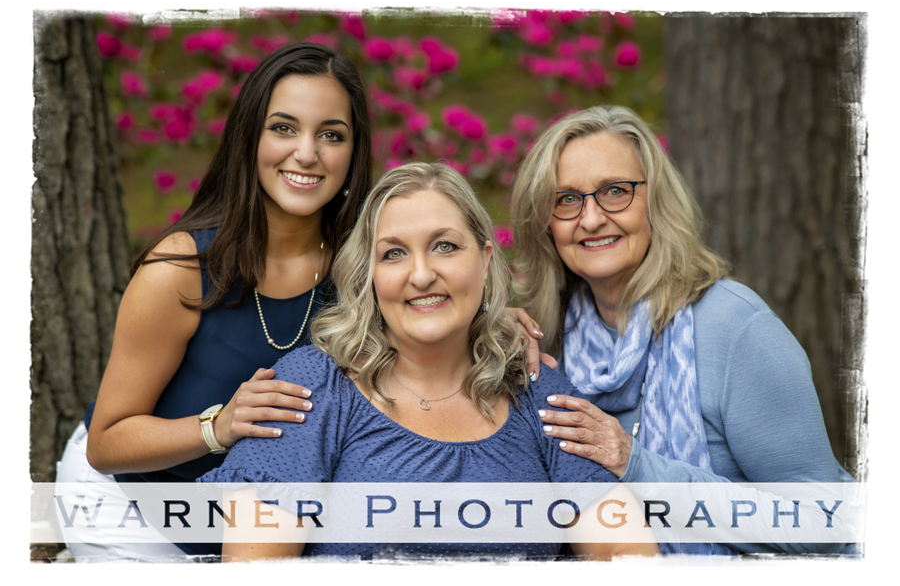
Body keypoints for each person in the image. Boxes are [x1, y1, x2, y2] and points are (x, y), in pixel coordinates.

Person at [199, 162, 659, 561]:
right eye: (394, 253)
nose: (421, 275)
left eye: (445, 246)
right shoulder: (308, 390)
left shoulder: (537, 390)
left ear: (484, 260)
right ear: (370, 276)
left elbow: (626, 554)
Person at [54, 42, 373, 562]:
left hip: (263, 528)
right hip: (133, 506)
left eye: (331, 135)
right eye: (284, 128)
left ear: (353, 152)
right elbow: (107, 443)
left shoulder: (365, 265)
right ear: (250, 137)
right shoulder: (180, 270)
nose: (308, 153)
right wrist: (218, 426)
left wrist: (494, 326)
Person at [509, 105, 855, 556]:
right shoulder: (551, 340)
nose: (591, 219)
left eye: (615, 191)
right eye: (566, 199)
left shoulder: (732, 327)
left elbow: (825, 522)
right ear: (545, 223)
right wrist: (493, 330)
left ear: (656, 201)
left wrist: (636, 466)